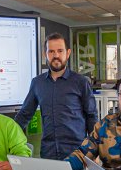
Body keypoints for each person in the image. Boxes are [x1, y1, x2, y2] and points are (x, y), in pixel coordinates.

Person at [15, 32, 97, 160]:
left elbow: (91, 117)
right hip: (48, 152)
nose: (56, 55)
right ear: (45, 54)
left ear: (68, 53)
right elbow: (25, 114)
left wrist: (94, 150)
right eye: (51, 52)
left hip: (76, 153)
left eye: (60, 51)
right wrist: (7, 136)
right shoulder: (37, 83)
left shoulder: (81, 82)